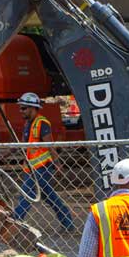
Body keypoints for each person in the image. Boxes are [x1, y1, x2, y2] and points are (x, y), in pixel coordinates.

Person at [12, 92, 75, 231]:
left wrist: (58, 165)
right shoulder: (28, 124)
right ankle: (68, 223)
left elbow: (50, 146)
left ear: (33, 108)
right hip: (32, 167)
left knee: (27, 193)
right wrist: (8, 151)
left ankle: (15, 222)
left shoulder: (42, 123)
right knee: (49, 196)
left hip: (42, 167)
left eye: (23, 108)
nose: (20, 110)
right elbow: (25, 144)